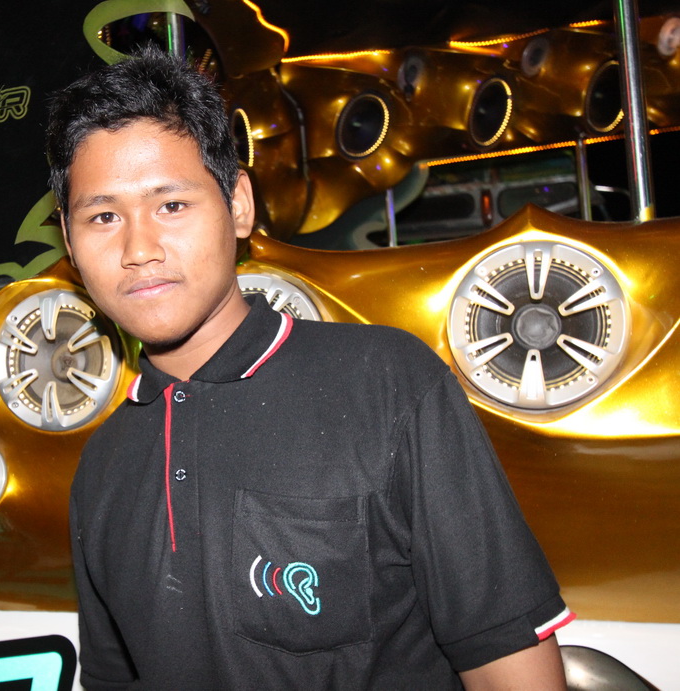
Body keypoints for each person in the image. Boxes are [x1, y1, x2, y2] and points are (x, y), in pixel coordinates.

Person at [46, 45, 573, 689]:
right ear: (70, 242)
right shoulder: (101, 466)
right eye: (103, 216)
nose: (139, 248)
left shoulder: (387, 383)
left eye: (171, 205)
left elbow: (508, 667)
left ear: (239, 204)